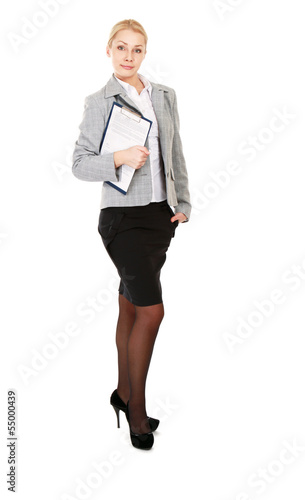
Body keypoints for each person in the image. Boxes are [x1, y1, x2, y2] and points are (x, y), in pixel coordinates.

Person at [72, 19, 191, 450]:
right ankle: (136, 411)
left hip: (160, 218)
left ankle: (122, 392)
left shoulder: (164, 96)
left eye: (136, 50)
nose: (128, 56)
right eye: (120, 48)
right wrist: (119, 156)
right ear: (108, 50)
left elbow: (175, 151)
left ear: (144, 53)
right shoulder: (99, 102)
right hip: (122, 220)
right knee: (152, 312)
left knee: (130, 308)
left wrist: (184, 203)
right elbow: (80, 163)